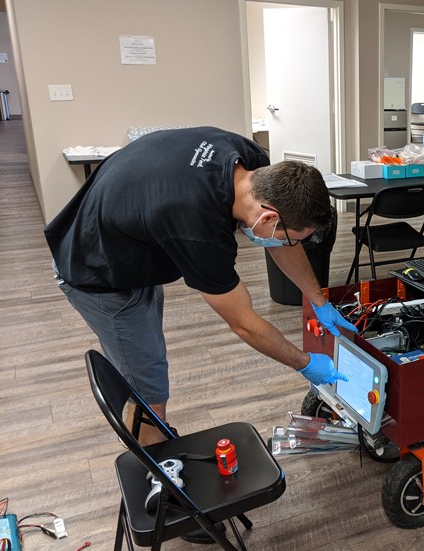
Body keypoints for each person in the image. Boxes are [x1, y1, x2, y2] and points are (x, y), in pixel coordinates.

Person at [45, 126, 357, 445]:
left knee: (148, 361)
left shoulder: (252, 163)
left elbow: (282, 244)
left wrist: (319, 301)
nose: (291, 243)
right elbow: (244, 325)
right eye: (291, 235)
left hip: (127, 235)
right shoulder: (198, 229)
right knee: (147, 393)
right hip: (95, 271)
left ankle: (155, 437)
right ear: (268, 219)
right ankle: (157, 474)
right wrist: (305, 364)